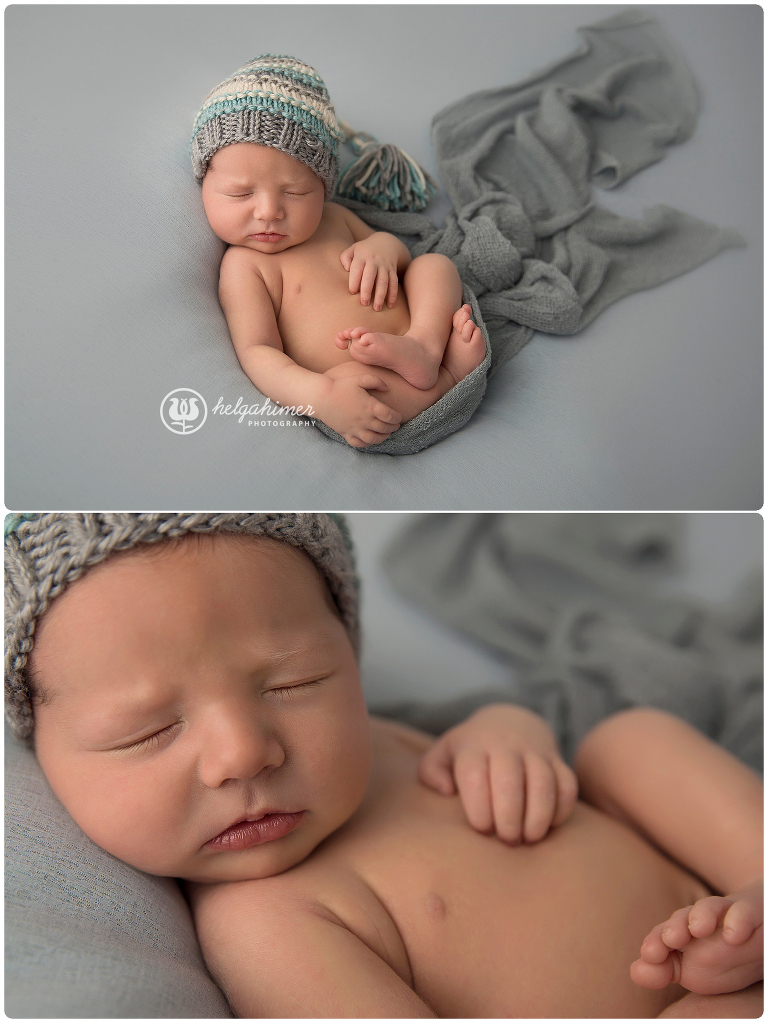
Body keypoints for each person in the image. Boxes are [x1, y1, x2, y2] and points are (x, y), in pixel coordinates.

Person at [5, 514, 762, 1018]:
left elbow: (526, 732)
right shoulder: (264, 924)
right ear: (41, 750)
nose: (243, 752)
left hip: (718, 900)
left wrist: (508, 730)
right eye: (148, 730)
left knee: (627, 739)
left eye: (293, 683)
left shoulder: (383, 740)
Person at [191, 55, 486, 448]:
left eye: (295, 192)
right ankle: (447, 379)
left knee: (434, 266)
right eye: (240, 193)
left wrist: (381, 248)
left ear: (323, 186)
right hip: (358, 375)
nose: (269, 212)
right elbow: (258, 350)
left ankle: (427, 346)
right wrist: (321, 397)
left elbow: (401, 257)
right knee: (350, 383)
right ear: (204, 183)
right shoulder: (244, 266)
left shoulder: (334, 218)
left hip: (412, 329)